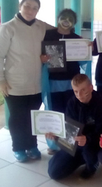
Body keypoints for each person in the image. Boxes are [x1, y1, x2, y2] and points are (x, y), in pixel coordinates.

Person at [0, 0, 54, 162]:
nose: (30, 10)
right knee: (18, 117)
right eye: (27, 6)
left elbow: (61, 30)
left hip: (36, 83)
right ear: (20, 6)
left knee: (33, 117)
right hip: (14, 84)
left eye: (35, 8)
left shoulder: (41, 26)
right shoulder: (7, 28)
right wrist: (0, 80)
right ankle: (18, 147)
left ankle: (31, 145)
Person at [41, 9, 86, 154]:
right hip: (53, 81)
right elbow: (38, 53)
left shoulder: (78, 39)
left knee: (70, 114)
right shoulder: (48, 36)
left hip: (72, 83)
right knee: (55, 112)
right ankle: (54, 145)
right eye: (63, 17)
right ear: (58, 18)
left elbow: (84, 61)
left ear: (74, 22)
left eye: (70, 18)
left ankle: (69, 144)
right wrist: (41, 58)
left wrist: (87, 49)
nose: (66, 20)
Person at [48, 74, 102, 180]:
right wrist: (57, 135)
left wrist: (87, 139)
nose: (79, 95)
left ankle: (92, 163)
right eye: (76, 91)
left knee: (89, 154)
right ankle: (80, 158)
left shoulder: (100, 103)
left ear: (91, 88)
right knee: (54, 172)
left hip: (92, 143)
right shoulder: (72, 103)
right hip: (75, 142)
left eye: (82, 90)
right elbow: (68, 127)